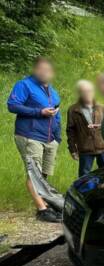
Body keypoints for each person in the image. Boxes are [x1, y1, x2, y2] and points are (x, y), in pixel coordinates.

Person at [6, 57, 62, 222]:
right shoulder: (24, 85)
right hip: (30, 135)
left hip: (50, 137)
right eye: (42, 69)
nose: (45, 72)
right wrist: (39, 112)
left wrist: (57, 137)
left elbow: (56, 113)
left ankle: (44, 202)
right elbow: (12, 105)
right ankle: (42, 210)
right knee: (34, 173)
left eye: (49, 70)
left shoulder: (52, 90)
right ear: (35, 70)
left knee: (44, 173)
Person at [67, 79, 104, 177]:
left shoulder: (102, 107)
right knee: (84, 177)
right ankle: (85, 192)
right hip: (85, 149)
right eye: (84, 91)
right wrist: (73, 149)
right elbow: (70, 131)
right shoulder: (73, 110)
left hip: (103, 148)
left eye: (89, 91)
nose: (87, 93)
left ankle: (103, 192)